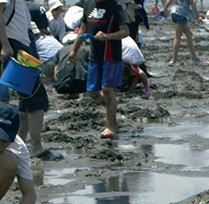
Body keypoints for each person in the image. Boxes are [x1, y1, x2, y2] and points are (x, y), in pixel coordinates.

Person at [67, 0, 129, 139]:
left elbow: (125, 31)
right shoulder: (88, 4)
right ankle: (111, 110)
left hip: (111, 54)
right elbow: (83, 29)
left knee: (107, 88)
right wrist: (73, 51)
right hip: (94, 55)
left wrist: (108, 36)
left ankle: (110, 126)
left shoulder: (114, 5)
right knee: (92, 92)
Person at [0, 0, 52, 160]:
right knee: (36, 94)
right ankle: (35, 146)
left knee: (26, 95)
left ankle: (18, 144)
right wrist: (5, 45)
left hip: (19, 43)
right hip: (13, 43)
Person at [0, 104, 36, 204]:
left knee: (8, 160)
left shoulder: (18, 147)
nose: (0, 143)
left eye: (4, 140)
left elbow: (30, 194)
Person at [160, 0, 202, 64]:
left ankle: (194, 57)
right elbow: (192, 4)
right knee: (177, 37)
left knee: (189, 35)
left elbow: (169, 1)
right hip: (181, 14)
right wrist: (198, 16)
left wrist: (164, 9)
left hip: (174, 13)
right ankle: (173, 59)